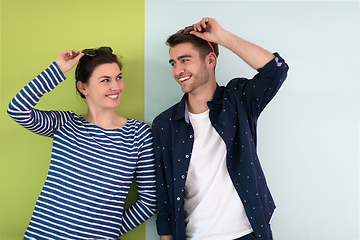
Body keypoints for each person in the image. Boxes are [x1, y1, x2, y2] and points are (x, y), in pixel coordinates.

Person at [152, 18, 289, 240]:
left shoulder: (238, 100)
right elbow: (164, 196)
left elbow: (276, 71)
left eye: (185, 60)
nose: (178, 70)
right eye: (173, 63)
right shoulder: (165, 124)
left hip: (248, 233)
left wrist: (221, 37)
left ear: (210, 60)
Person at [7, 47, 156, 239]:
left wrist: (106, 232)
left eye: (118, 77)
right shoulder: (64, 124)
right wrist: (58, 69)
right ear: (83, 87)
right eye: (105, 80)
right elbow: (18, 110)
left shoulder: (139, 134)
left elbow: (149, 201)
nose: (116, 87)